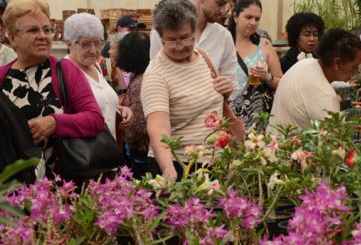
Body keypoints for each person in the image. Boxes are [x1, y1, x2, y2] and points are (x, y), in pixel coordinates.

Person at [0, 0, 104, 176]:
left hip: (60, 185)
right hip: (13, 187)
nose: (43, 35)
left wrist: (55, 122)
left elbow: (94, 119)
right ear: (12, 38)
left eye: (47, 29)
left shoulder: (64, 70)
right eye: (33, 30)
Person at [142, 0, 239, 181]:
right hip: (180, 164)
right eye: (171, 40)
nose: (179, 46)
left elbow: (214, 101)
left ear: (194, 32)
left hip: (214, 162)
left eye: (185, 38)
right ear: (161, 38)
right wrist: (168, 170)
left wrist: (225, 90)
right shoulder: (156, 74)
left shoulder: (203, 57)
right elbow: (158, 127)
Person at [268, 29, 361, 131]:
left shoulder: (305, 64)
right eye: (355, 67)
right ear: (337, 63)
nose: (356, 72)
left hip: (275, 142)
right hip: (293, 146)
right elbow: (335, 139)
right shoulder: (323, 93)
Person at [63, 13, 133, 141]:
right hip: (85, 155)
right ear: (69, 43)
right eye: (85, 44)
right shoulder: (64, 72)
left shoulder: (96, 67)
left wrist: (119, 109)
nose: (93, 50)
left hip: (108, 150)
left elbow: (98, 104)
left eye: (98, 43)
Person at [149, 0, 238, 93]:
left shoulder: (223, 36)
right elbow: (155, 74)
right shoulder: (162, 31)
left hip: (212, 105)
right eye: (220, 4)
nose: (223, 11)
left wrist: (227, 86)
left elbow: (230, 79)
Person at [229, 0, 283, 129]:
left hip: (257, 118)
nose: (253, 23)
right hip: (227, 116)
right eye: (248, 17)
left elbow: (282, 82)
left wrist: (267, 77)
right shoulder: (223, 43)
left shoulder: (264, 45)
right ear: (235, 16)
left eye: (257, 19)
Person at [117, 32, 151, 178]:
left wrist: (126, 137)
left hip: (142, 149)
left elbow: (138, 124)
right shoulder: (141, 76)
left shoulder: (140, 83)